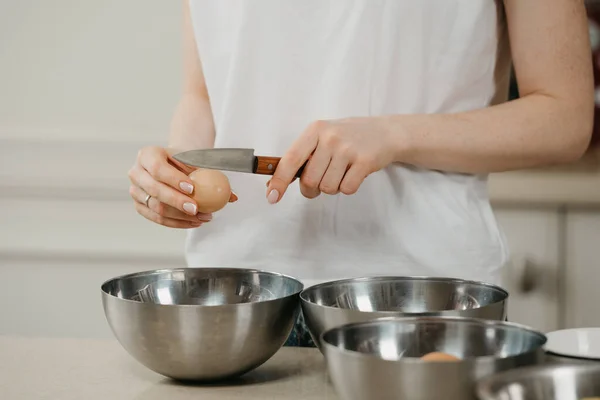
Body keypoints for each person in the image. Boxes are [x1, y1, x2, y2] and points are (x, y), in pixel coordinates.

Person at [128, 0, 594, 347]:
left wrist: (394, 134)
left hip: (424, 305)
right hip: (233, 306)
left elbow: (565, 117)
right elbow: (204, 94)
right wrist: (176, 167)